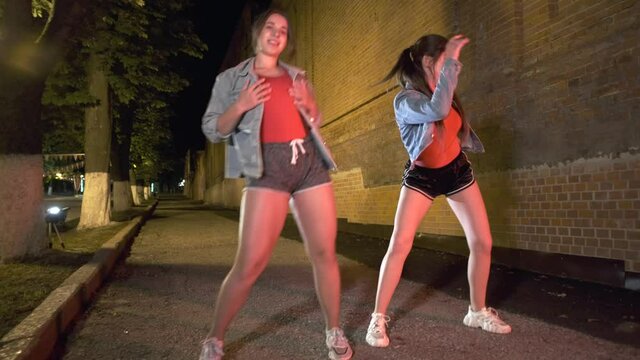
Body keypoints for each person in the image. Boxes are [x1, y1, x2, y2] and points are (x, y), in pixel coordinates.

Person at [199, 8, 353, 360]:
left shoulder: (298, 75)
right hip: (266, 168)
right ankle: (215, 338)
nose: (276, 33)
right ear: (256, 34)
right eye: (270, 26)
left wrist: (312, 106)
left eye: (283, 29)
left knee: (324, 253)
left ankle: (333, 330)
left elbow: (314, 118)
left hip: (309, 164)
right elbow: (213, 129)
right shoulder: (231, 80)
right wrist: (240, 105)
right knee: (249, 262)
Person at [365, 33, 512, 348]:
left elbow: (451, 120)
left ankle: (476, 310)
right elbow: (438, 111)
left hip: (456, 171)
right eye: (445, 62)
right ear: (429, 63)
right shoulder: (406, 100)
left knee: (482, 242)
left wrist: (448, 70)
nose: (452, 69)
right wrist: (452, 62)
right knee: (400, 245)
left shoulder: (444, 90)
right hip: (424, 178)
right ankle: (377, 317)